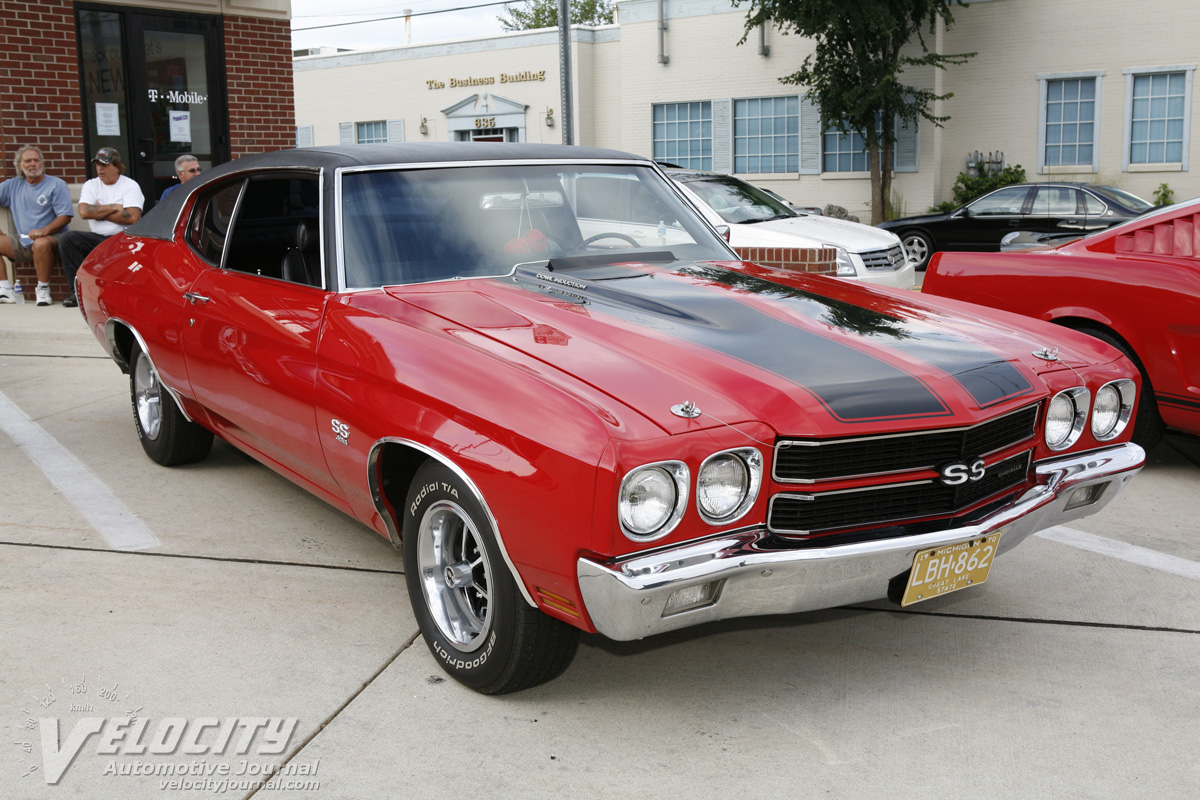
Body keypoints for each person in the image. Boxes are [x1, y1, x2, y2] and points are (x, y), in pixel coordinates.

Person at [56, 147, 144, 307]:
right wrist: (115, 207)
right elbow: (83, 212)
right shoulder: (91, 185)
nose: (100, 169)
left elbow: (132, 217)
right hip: (96, 237)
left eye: (104, 164)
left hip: (122, 238)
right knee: (67, 239)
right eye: (97, 164)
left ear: (117, 166)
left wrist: (98, 210)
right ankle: (75, 292)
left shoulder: (130, 186)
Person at [0, 145, 73, 305]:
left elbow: (65, 217)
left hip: (53, 239)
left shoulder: (56, 184)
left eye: (36, 160)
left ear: (42, 163)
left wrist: (44, 231)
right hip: (23, 240)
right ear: (20, 165)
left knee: (40, 243)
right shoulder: (12, 185)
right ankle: (5, 289)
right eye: (28, 161)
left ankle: (43, 289)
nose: (32, 164)